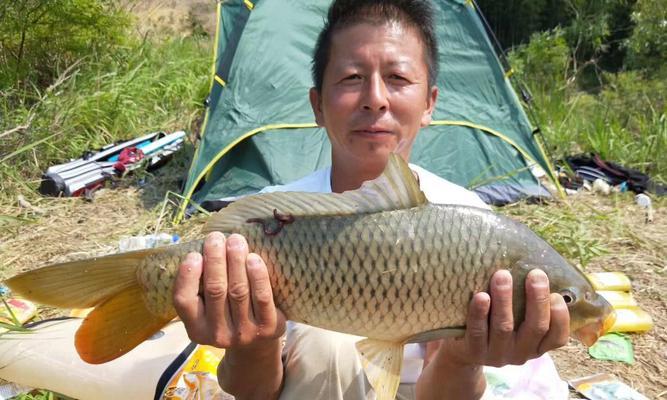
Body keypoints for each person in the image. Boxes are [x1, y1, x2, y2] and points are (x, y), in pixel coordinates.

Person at [172, 1, 571, 399]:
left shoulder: (468, 223)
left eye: (397, 77)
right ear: (317, 106)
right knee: (325, 345)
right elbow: (253, 391)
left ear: (430, 103)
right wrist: (253, 341)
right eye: (351, 77)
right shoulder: (272, 217)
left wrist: (461, 358)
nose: (375, 99)